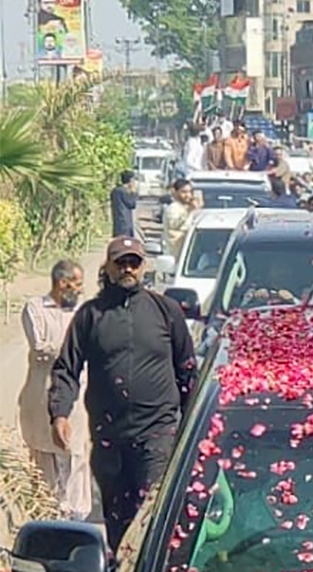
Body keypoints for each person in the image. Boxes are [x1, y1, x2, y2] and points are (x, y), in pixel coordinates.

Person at [49, 237, 197, 554]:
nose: (128, 268)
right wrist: (59, 413)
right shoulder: (90, 316)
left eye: (134, 262)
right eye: (121, 262)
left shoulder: (166, 311)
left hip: (157, 434)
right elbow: (66, 368)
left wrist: (194, 428)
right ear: (109, 267)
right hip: (109, 437)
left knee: (151, 514)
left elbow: (187, 372)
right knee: (117, 516)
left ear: (144, 267)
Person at [17, 259, 91, 521]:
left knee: (75, 459)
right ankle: (45, 521)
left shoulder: (82, 312)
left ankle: (75, 522)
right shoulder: (35, 309)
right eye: (78, 284)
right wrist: (75, 349)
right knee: (43, 463)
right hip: (40, 400)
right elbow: (40, 348)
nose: (81, 290)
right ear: (62, 283)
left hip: (75, 403)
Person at [163, 178, 197, 263]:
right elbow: (174, 224)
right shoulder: (173, 208)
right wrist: (189, 211)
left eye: (190, 192)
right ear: (175, 192)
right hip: (177, 256)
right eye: (184, 192)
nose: (188, 195)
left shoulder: (187, 208)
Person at [110, 171, 138, 239]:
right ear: (131, 180)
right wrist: (134, 192)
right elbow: (132, 204)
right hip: (125, 224)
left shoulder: (115, 191)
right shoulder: (124, 192)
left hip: (117, 223)